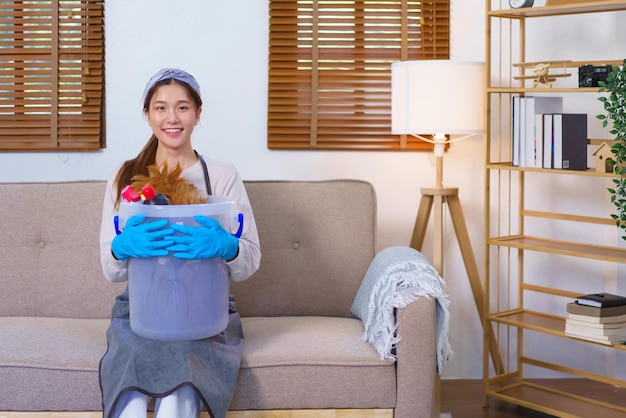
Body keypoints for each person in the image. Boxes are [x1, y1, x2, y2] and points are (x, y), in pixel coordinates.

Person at [98, 68, 261, 418]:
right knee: (130, 400)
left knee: (179, 399)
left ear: (198, 114)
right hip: (140, 310)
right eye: (160, 108)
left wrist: (227, 245)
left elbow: (250, 261)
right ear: (147, 115)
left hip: (206, 309)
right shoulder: (125, 177)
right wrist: (121, 246)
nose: (172, 118)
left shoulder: (221, 176)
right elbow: (110, 270)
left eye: (183, 107)